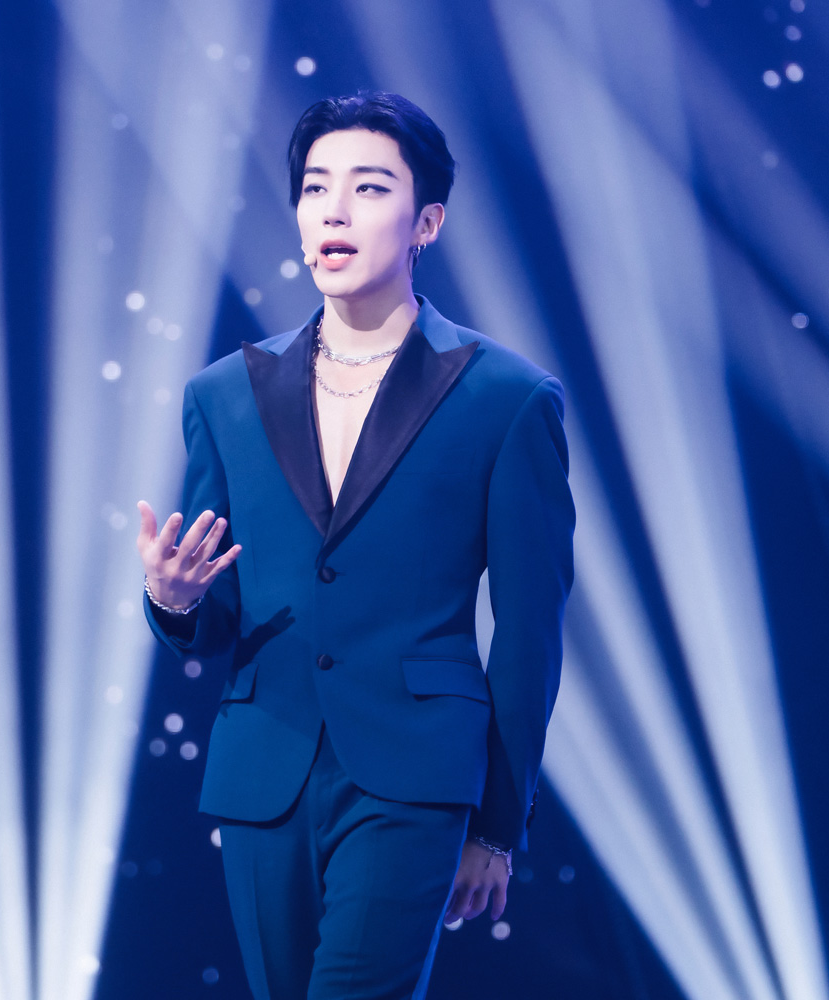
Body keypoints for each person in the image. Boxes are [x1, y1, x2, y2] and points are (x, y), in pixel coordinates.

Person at [136, 90, 575, 1000]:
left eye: (369, 188)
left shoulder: (506, 397)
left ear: (427, 222)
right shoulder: (224, 395)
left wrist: (498, 825)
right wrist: (173, 601)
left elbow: (531, 628)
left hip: (413, 773)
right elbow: (215, 615)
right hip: (265, 769)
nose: (333, 210)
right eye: (314, 187)